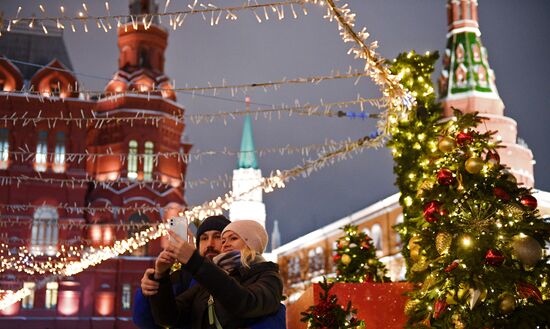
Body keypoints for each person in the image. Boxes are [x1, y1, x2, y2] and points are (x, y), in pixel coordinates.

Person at [149, 220, 284, 329]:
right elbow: (168, 318)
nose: (225, 245)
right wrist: (161, 277)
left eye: (233, 238)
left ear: (252, 243)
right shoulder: (206, 284)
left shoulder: (268, 276)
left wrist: (194, 261)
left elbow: (245, 303)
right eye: (223, 240)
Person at [133, 215, 231, 329]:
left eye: (217, 237)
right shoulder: (181, 277)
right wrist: (150, 288)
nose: (210, 244)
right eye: (204, 238)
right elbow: (148, 322)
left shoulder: (240, 276)